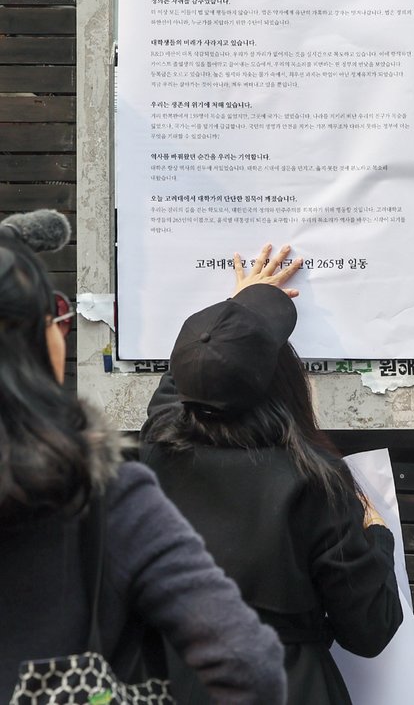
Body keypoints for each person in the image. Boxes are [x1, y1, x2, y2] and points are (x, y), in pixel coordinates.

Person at [0, 211, 286, 705]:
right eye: (57, 314)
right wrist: (242, 314)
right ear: (35, 341)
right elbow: (248, 664)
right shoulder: (104, 495)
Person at [141, 243, 402, 705]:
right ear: (285, 380)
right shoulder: (315, 480)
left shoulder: (159, 448)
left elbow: (187, 380)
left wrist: (236, 311)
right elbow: (370, 630)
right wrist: (377, 534)